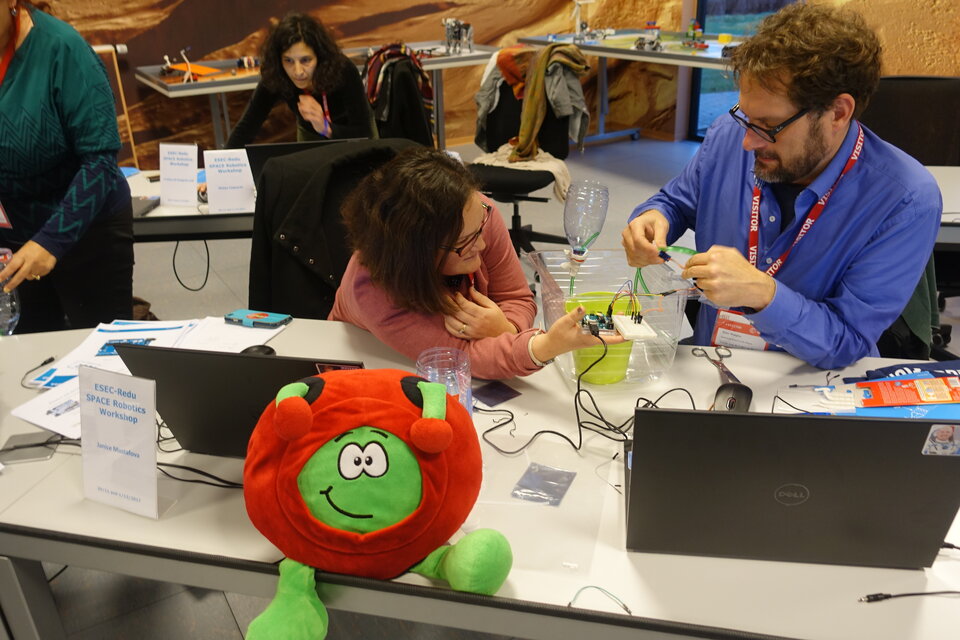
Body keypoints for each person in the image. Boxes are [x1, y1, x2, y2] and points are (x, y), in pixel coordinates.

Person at [621, 3, 941, 370]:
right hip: (710, 368)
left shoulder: (905, 200)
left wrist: (763, 294)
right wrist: (652, 217)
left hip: (810, 388)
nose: (748, 143)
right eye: (746, 118)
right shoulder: (728, 136)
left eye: (769, 126)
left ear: (837, 113)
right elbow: (676, 202)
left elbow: (848, 340)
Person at [329, 147, 616, 380]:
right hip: (373, 359)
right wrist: (544, 346)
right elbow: (461, 359)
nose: (481, 244)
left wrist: (505, 328)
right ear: (418, 251)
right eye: (466, 242)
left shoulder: (476, 212)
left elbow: (516, 297)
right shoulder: (372, 289)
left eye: (480, 230)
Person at [0, 0, 133, 333]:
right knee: (25, 355)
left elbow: (100, 160)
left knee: (103, 357)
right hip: (13, 235)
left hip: (86, 229)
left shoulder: (63, 49)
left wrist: (51, 241)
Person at [226, 13, 374, 148]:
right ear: (279, 60)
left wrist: (326, 128)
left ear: (320, 57)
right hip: (310, 132)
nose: (298, 71)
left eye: (305, 60)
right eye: (288, 61)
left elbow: (364, 134)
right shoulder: (276, 74)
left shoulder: (344, 70)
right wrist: (220, 166)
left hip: (353, 132)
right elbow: (247, 127)